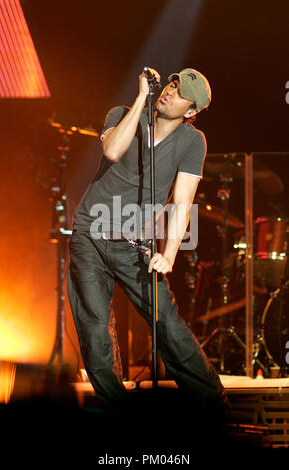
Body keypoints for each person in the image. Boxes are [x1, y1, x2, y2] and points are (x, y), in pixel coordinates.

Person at [67, 67, 229, 417]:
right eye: (172, 82)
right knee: (95, 329)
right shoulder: (123, 114)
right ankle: (118, 414)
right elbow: (111, 151)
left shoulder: (192, 141)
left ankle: (215, 408)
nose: (170, 90)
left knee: (167, 324)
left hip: (135, 244)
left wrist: (169, 255)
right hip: (90, 235)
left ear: (191, 111)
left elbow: (182, 201)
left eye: (180, 91)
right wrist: (141, 98)